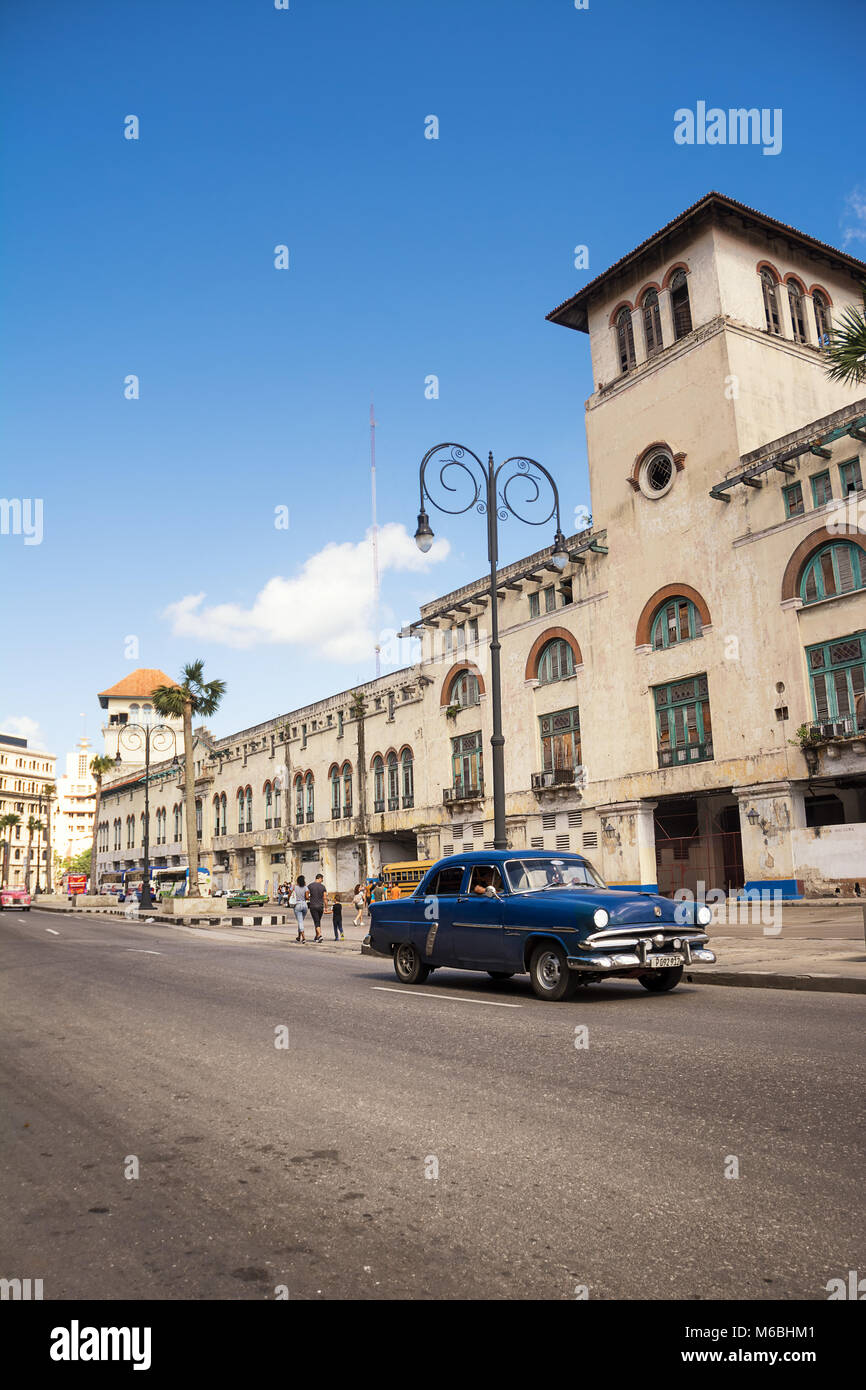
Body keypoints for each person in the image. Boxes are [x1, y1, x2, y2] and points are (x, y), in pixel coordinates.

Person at [307, 873, 327, 942]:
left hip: (313, 906)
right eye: (322, 879)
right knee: (318, 921)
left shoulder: (310, 886)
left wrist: (310, 897)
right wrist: (326, 907)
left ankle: (319, 935)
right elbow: (325, 898)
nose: (322, 881)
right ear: (320, 878)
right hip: (320, 906)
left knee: (316, 921)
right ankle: (317, 936)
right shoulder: (323, 887)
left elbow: (306, 895)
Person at [291, 874, 309, 942]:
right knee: (300, 921)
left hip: (297, 905)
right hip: (304, 905)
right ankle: (299, 936)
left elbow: (290, 893)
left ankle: (303, 937)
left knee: (300, 921)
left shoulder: (294, 887)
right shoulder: (306, 888)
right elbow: (307, 897)